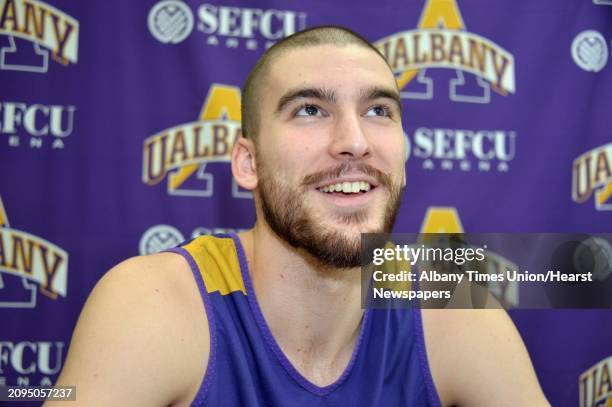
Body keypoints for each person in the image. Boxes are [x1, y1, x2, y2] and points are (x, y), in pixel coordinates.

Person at [51, 26, 550, 406]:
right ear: (249, 163)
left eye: (379, 110)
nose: (355, 142)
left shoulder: (452, 307)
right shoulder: (155, 304)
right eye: (309, 110)